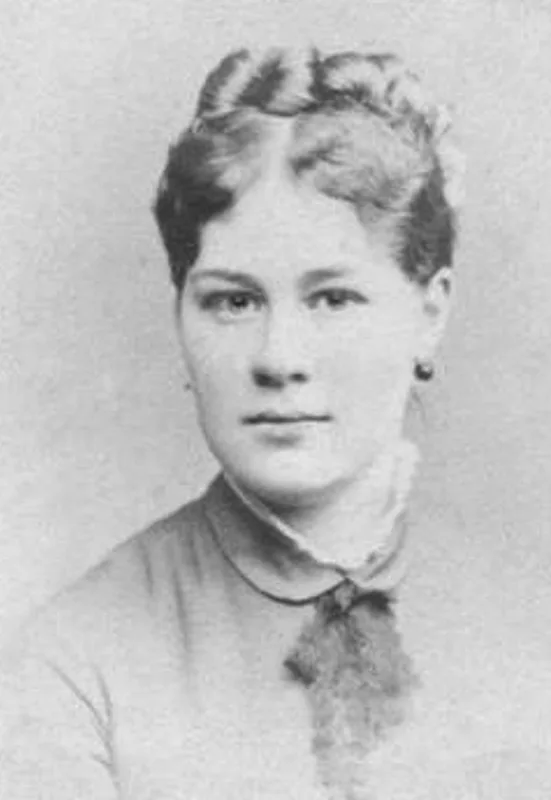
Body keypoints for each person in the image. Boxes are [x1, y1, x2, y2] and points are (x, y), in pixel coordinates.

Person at [0, 46, 470, 799]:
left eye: (333, 298)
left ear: (430, 312)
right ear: (181, 317)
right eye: (234, 301)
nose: (279, 358)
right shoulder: (72, 665)